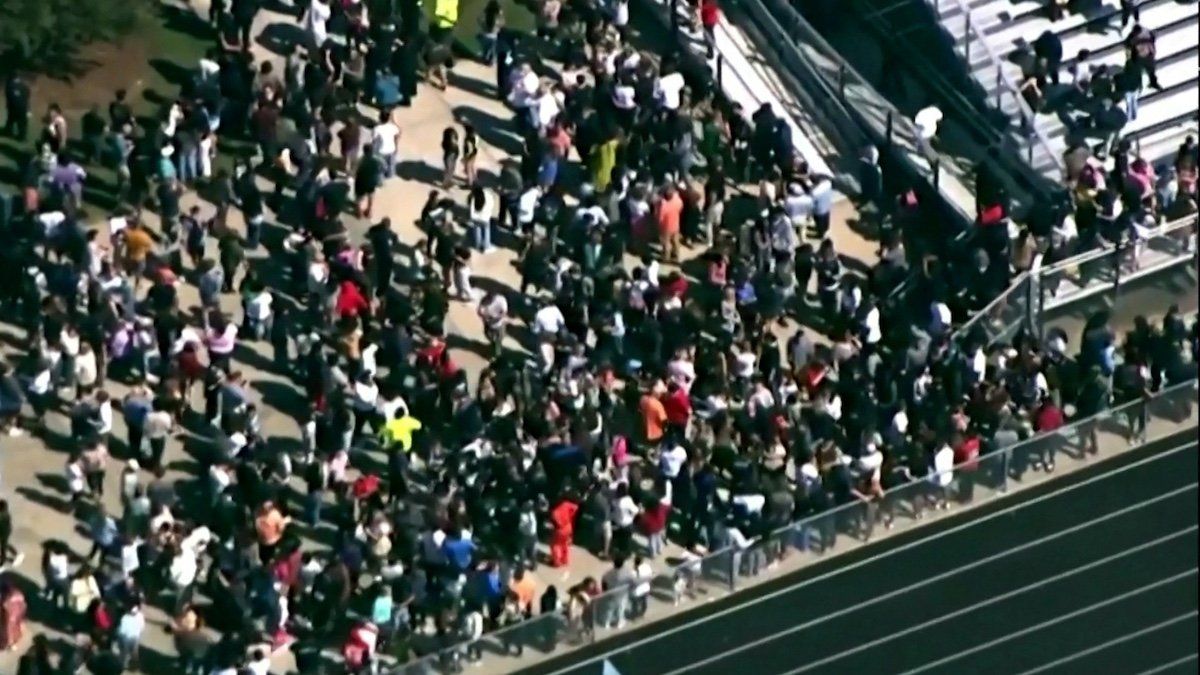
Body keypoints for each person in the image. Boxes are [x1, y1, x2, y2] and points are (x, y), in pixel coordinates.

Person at [0, 577, 26, 650]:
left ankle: (10, 644)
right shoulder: (18, 594)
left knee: (8, 633)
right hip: (17, 617)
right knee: (18, 630)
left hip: (9, 620)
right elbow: (23, 605)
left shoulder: (5, 602)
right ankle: (13, 644)